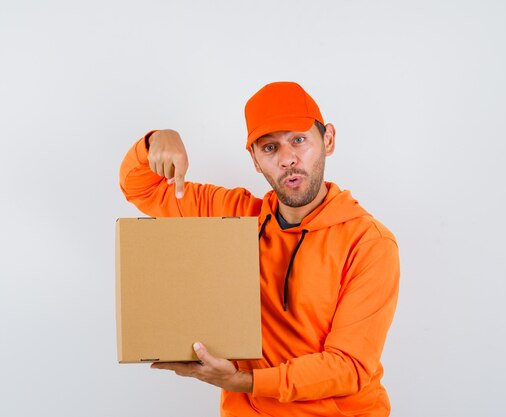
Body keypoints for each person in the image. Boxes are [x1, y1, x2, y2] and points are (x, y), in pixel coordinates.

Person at [119, 81, 400, 417]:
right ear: (253, 159)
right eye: (269, 148)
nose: (287, 159)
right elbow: (139, 187)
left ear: (328, 140)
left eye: (299, 140)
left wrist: (246, 381)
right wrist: (156, 139)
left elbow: (349, 367)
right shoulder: (232, 215)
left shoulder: (368, 242)